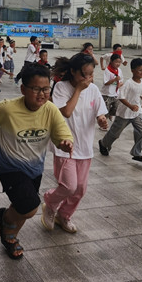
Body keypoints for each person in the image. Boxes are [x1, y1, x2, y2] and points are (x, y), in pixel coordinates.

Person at [0, 64, 73, 260]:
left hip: (34, 167)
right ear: (23, 89)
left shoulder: (51, 110)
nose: (42, 94)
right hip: (8, 166)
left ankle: (10, 235)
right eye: (36, 88)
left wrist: (65, 144)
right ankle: (6, 220)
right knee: (29, 207)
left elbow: (63, 135)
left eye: (46, 89)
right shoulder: (8, 108)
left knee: (21, 205)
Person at [41, 53, 107, 234]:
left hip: (85, 148)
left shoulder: (93, 89)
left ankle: (64, 215)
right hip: (64, 146)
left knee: (80, 189)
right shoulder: (61, 88)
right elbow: (67, 112)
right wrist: (78, 89)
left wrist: (101, 119)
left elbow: (99, 111)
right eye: (83, 74)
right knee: (69, 186)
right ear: (72, 71)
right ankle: (50, 202)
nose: (87, 79)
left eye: (91, 74)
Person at [98, 58, 142, 161]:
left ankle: (136, 153)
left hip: (136, 112)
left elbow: (141, 94)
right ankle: (103, 143)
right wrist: (130, 106)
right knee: (115, 134)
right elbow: (121, 97)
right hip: (124, 113)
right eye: (139, 70)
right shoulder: (128, 83)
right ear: (132, 71)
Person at [100, 53, 123, 125]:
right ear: (111, 61)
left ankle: (111, 115)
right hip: (107, 93)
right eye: (116, 62)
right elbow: (105, 83)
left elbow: (121, 81)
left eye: (119, 62)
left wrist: (119, 84)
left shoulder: (119, 70)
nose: (118, 64)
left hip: (116, 93)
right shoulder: (108, 70)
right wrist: (114, 79)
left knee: (116, 107)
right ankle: (104, 123)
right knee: (105, 109)